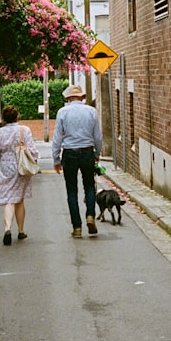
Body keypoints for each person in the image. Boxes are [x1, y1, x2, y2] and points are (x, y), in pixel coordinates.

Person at [51, 84, 103, 238]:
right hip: (87, 151)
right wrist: (97, 153)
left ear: (68, 98)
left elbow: (57, 138)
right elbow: (98, 137)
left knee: (71, 190)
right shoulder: (91, 111)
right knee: (89, 185)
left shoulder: (62, 112)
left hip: (70, 153)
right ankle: (90, 215)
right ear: (82, 97)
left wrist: (56, 159)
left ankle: (77, 227)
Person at [0, 105, 38, 245]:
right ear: (17, 116)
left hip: (6, 166)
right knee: (19, 200)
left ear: (3, 118)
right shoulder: (24, 130)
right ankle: (21, 230)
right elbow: (32, 150)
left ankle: (7, 228)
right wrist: (34, 161)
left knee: (9, 199)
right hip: (21, 166)